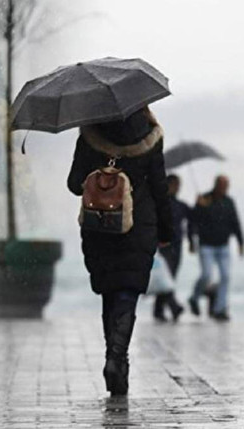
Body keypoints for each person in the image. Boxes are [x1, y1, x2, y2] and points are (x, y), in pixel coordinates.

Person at [67, 106, 172, 397]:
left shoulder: (90, 135)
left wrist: (101, 173)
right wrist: (166, 232)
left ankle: (112, 358)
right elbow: (161, 189)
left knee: (110, 292)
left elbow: (74, 184)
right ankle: (118, 359)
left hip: (99, 225)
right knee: (128, 292)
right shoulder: (150, 138)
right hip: (139, 225)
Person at [188, 175, 244, 321]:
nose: (225, 188)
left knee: (225, 276)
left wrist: (241, 242)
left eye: (227, 185)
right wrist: (199, 207)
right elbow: (193, 220)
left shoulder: (229, 202)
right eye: (223, 185)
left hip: (223, 246)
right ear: (216, 185)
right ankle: (194, 297)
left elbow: (235, 222)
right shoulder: (205, 199)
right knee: (206, 275)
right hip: (206, 245)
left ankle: (220, 309)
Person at [153, 174, 191, 322]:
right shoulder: (160, 204)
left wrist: (202, 204)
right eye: (175, 185)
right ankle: (173, 307)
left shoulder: (181, 206)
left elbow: (193, 218)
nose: (178, 188)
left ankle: (158, 310)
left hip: (177, 245)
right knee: (167, 277)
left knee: (169, 277)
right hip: (163, 245)